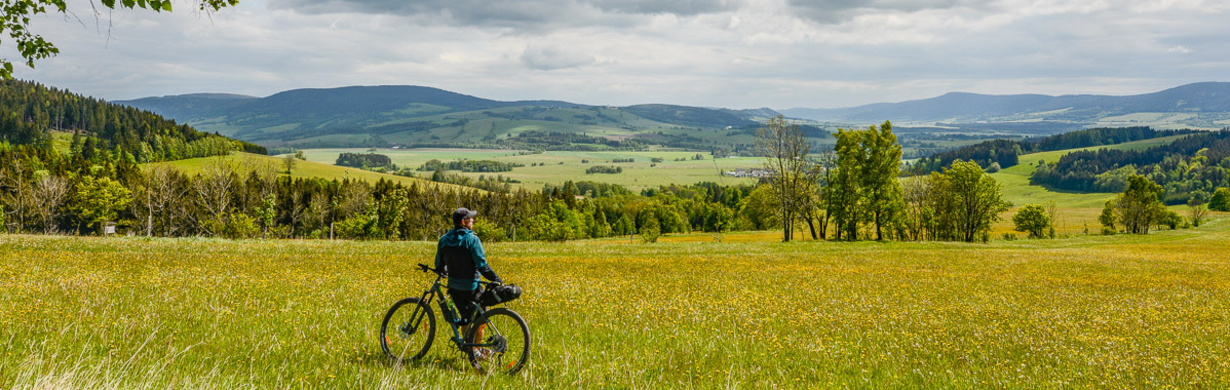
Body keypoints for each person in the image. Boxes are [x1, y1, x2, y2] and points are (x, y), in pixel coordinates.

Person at [435, 207, 502, 356]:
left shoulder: (444, 240)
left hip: (454, 289)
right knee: (480, 321)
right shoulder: (472, 239)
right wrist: (496, 279)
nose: (473, 220)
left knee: (465, 318)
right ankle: (476, 351)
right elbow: (482, 266)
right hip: (472, 288)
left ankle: (471, 350)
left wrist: (445, 270)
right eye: (470, 218)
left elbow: (439, 265)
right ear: (464, 222)